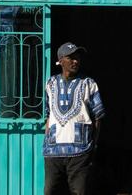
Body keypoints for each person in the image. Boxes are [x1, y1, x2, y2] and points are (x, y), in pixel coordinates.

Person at [43, 42, 105, 195]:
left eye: (77, 58)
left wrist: (94, 146)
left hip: (80, 150)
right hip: (53, 151)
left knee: (79, 192)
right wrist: (47, 138)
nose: (75, 61)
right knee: (50, 191)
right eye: (71, 58)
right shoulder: (50, 84)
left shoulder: (88, 84)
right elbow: (48, 115)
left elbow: (98, 117)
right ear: (60, 60)